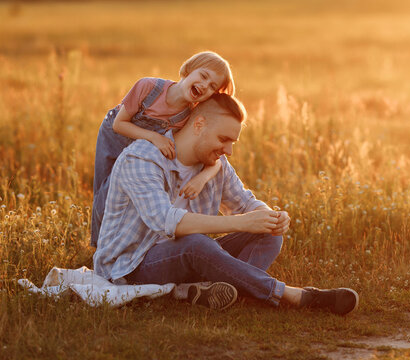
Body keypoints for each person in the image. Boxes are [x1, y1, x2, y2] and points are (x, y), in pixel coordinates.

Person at [93, 93, 359, 315]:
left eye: (233, 142)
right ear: (198, 125)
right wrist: (241, 222)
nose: (229, 150)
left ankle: (217, 290)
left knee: (267, 232)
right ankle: (293, 296)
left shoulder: (215, 164)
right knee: (197, 245)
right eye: (224, 139)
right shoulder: (141, 158)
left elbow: (246, 203)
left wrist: (270, 216)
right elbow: (166, 222)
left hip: (188, 256)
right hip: (132, 265)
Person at [91, 51, 235, 247]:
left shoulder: (188, 116)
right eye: (203, 76)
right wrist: (154, 137)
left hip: (143, 148)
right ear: (189, 69)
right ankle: (99, 247)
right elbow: (119, 124)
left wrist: (201, 178)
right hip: (116, 136)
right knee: (105, 192)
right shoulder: (149, 87)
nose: (204, 86)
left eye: (212, 87)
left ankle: (122, 244)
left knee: (124, 193)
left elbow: (216, 163)